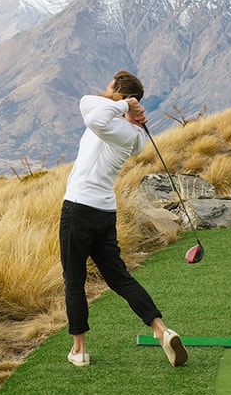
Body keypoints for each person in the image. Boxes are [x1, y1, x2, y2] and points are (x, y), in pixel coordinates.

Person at [60, 70, 188, 367]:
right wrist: (127, 107)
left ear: (118, 92)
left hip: (79, 208)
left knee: (74, 280)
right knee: (120, 277)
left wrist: (123, 105)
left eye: (110, 87)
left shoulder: (113, 126)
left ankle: (79, 350)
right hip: (105, 212)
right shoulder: (134, 135)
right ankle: (162, 331)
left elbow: (92, 116)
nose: (104, 91)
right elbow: (86, 103)